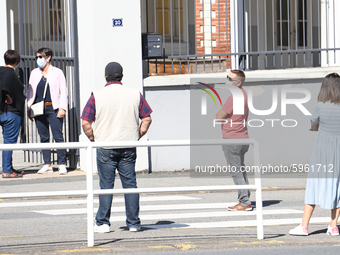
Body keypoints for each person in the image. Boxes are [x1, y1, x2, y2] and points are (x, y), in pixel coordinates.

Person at [81, 62, 152, 233]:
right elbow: (147, 118)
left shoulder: (96, 96)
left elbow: (86, 122)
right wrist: (138, 135)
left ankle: (103, 223)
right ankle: (134, 223)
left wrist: (93, 138)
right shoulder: (135, 94)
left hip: (105, 145)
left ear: (105, 77)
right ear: (122, 76)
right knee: (130, 184)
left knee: (106, 185)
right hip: (128, 144)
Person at [289, 73, 340, 236]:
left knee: (314, 185)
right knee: (337, 187)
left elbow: (313, 126)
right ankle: (333, 226)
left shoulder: (320, 106)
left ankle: (304, 226)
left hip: (322, 150)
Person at [27, 47, 68, 175]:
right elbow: (30, 92)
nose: (38, 59)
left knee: (58, 136)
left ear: (48, 57)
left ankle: (62, 164)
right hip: (39, 108)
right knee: (43, 137)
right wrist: (29, 108)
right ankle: (47, 164)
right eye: (37, 57)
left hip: (53, 108)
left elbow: (63, 91)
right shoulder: (34, 72)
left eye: (40, 57)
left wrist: (62, 108)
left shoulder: (57, 72)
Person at [216, 70, 252, 211]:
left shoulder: (234, 97)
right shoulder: (244, 94)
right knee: (241, 170)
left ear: (238, 82)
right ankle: (245, 199)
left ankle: (244, 202)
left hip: (232, 137)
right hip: (242, 136)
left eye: (230, 78)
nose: (227, 80)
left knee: (236, 171)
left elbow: (219, 116)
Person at [0, 50, 26, 178]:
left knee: (7, 141)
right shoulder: (10, 74)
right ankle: (7, 170)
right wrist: (8, 96)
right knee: (9, 142)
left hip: (2, 112)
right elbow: (5, 86)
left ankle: (8, 167)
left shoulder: (1, 71)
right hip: (11, 112)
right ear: (17, 61)